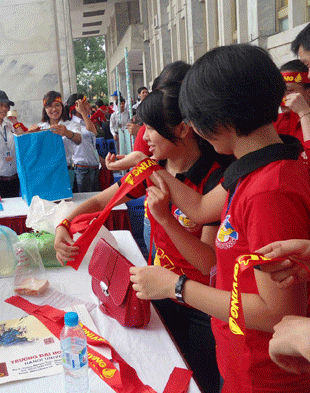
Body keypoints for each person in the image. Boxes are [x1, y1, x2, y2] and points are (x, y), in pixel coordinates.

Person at [129, 44, 310, 392]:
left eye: (195, 120)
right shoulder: (256, 165)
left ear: (221, 120)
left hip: (265, 375)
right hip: (243, 361)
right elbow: (198, 208)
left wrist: (176, 287)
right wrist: (150, 165)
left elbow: (276, 313)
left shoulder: (270, 192)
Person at [56, 67, 225, 392]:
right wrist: (65, 223)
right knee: (158, 374)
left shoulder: (213, 181)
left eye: (151, 128)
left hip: (200, 309)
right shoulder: (156, 167)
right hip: (158, 297)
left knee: (199, 383)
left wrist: (166, 220)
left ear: (184, 129)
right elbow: (105, 199)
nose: (143, 137)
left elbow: (209, 263)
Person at [27, 91, 82, 190]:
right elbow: (31, 152)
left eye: (57, 105)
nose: (54, 109)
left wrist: (67, 133)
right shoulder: (41, 127)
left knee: (67, 203)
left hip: (66, 171)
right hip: (45, 173)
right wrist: (30, 135)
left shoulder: (71, 125)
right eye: (49, 106)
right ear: (45, 109)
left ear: (62, 106)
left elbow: (78, 140)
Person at [273, 60, 310, 161]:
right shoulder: (276, 121)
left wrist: (304, 113)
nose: (282, 98)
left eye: (288, 92)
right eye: (279, 92)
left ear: (308, 92)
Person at [68, 94, 101, 193]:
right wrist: (83, 112)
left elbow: (90, 144)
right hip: (83, 170)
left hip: (92, 168)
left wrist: (98, 158)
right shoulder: (73, 125)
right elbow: (92, 131)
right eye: (86, 103)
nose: (89, 105)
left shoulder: (84, 121)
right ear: (77, 107)